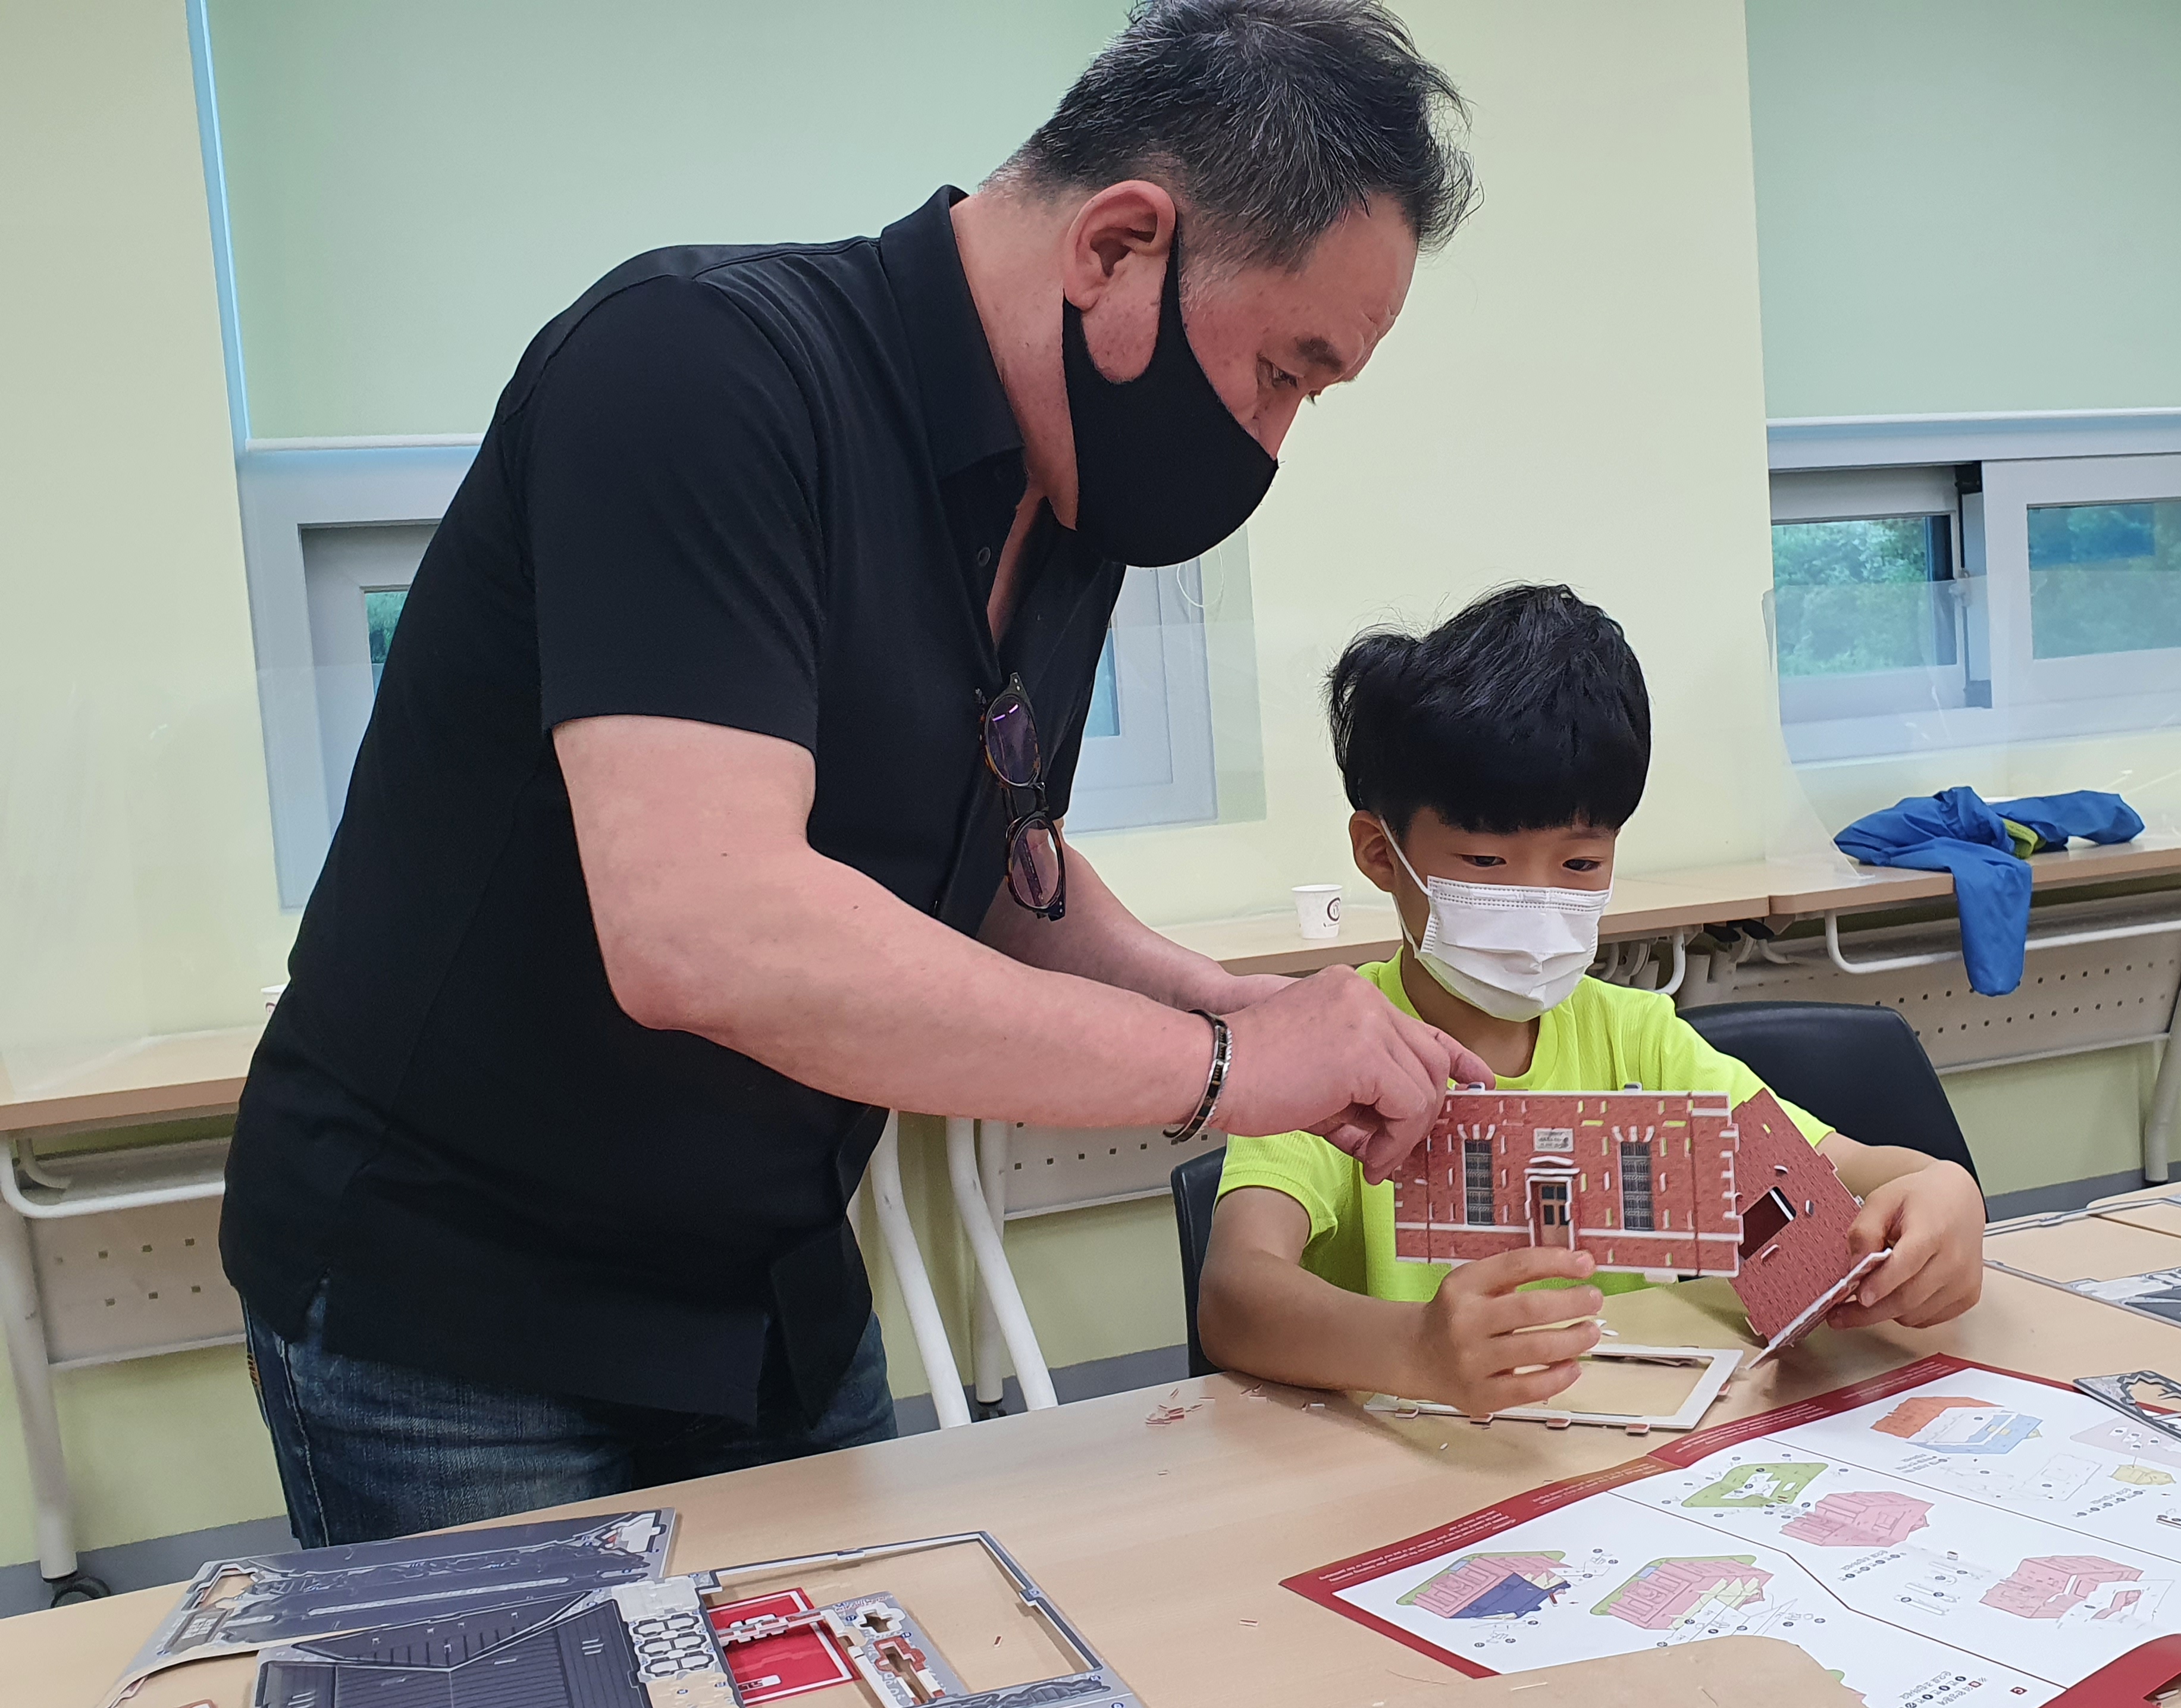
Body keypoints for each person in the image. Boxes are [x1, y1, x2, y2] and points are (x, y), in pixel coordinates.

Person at [223, 0, 1493, 1547]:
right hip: (463, 1311)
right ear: (1118, 248)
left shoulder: (1071, 497)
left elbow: (993, 864)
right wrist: (1224, 1071)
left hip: (767, 1288)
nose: (1276, 440)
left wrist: (1239, 1005)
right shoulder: (698, 377)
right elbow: (708, 932)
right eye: (1286, 371)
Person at [1198, 586, 1988, 1414]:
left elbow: (1850, 1167)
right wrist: (1412, 1349)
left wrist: (1944, 1191)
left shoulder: (1639, 1041)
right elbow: (1235, 1294)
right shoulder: (1329, 1050)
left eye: (1580, 865)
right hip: (1407, 1457)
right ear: (1380, 854)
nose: (1540, 900)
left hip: (1621, 1447)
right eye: (1486, 864)